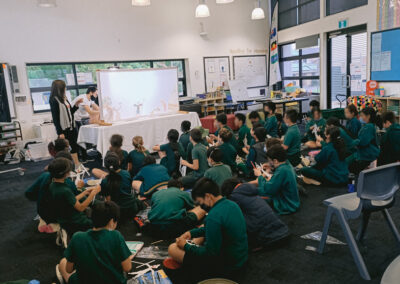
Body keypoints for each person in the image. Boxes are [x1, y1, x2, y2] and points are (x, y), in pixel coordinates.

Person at [167, 178, 248, 282]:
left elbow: (210, 254)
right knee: (202, 230)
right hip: (240, 258)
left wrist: (186, 246)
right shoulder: (232, 205)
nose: (200, 206)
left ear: (208, 196)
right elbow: (214, 229)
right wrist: (191, 233)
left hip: (226, 268)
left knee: (172, 248)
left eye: (200, 202)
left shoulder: (213, 217)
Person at [56, 201, 133, 284]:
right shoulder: (116, 236)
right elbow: (127, 267)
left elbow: (68, 269)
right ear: (111, 222)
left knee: (63, 262)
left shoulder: (77, 237)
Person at [221, 178, 289, 249]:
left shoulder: (234, 197)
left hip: (270, 239)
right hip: (283, 231)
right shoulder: (250, 191)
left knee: (234, 218)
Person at [25, 151, 83, 226]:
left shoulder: (45, 175)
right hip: (58, 217)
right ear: (67, 171)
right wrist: (80, 188)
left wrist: (42, 197)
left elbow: (29, 193)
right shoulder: (67, 183)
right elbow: (77, 200)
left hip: (42, 212)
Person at [49, 157, 100, 236]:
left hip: (62, 217)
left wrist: (84, 192)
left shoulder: (53, 184)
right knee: (100, 224)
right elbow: (81, 208)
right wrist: (94, 193)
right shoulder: (64, 190)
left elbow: (70, 200)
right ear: (66, 173)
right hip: (73, 221)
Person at [252, 145, 300, 215]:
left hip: (287, 205)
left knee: (254, 196)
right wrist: (271, 166)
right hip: (292, 201)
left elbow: (268, 190)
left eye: (269, 160)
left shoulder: (282, 171)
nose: (269, 162)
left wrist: (260, 175)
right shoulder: (287, 164)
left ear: (275, 160)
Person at [100, 152, 144, 221]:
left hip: (118, 212)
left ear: (105, 166)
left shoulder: (105, 181)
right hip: (132, 208)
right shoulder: (126, 174)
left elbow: (108, 202)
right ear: (119, 162)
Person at [49, 80, 83, 167]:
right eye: (64, 87)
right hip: (64, 129)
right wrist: (59, 132)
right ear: (60, 88)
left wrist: (76, 105)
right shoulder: (54, 100)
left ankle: (76, 165)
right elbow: (55, 118)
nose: (66, 88)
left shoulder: (65, 98)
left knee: (74, 146)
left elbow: (70, 112)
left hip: (71, 126)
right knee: (64, 149)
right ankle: (64, 166)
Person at [346, 107, 380, 175]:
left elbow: (363, 142)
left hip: (366, 156)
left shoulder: (368, 127)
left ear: (368, 116)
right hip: (368, 155)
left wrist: (353, 142)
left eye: (362, 115)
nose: (360, 117)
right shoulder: (371, 126)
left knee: (347, 165)